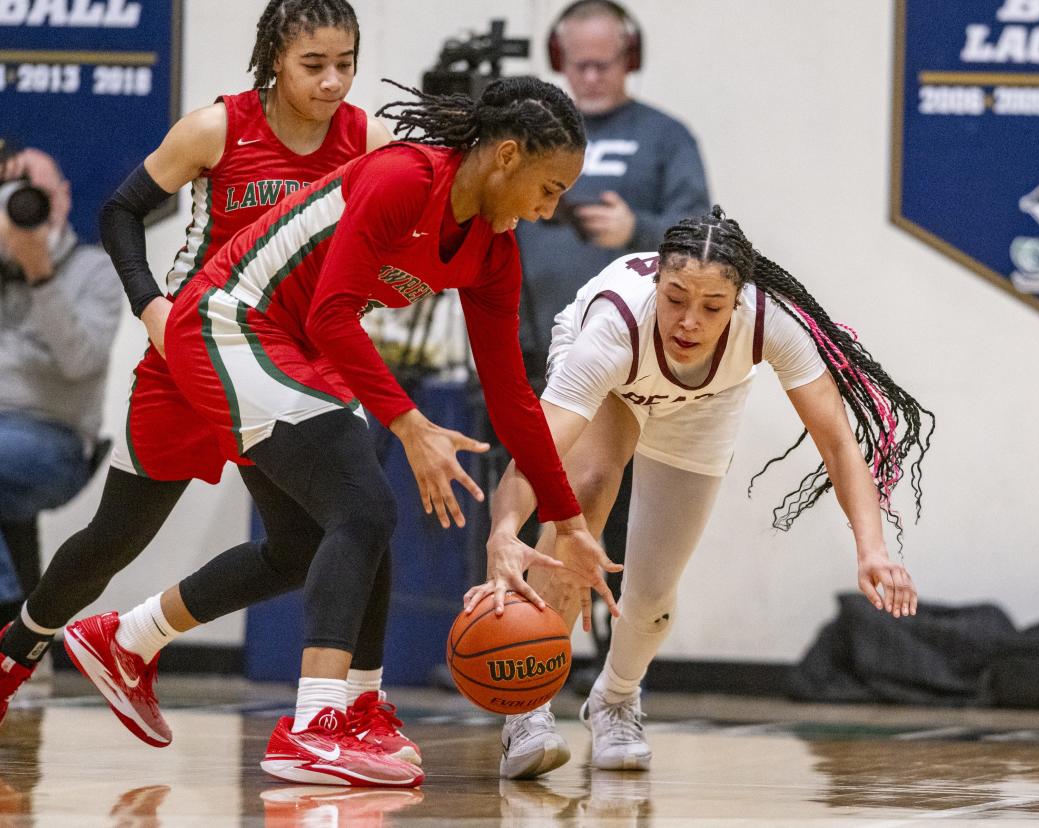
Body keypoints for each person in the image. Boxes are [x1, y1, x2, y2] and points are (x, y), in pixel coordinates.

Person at [71, 75, 620, 788]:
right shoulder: (402, 176)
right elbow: (332, 312)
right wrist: (411, 424)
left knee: (312, 540)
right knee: (364, 507)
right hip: (229, 321)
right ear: (507, 157)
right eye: (550, 189)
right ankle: (315, 724)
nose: (551, 211)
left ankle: (132, 639)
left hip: (295, 350)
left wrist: (569, 519)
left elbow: (513, 395)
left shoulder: (492, 250)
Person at [0, 0, 407, 758]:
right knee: (112, 540)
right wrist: (150, 303)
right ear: (275, 59)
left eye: (345, 64)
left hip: (288, 362)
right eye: (313, 65)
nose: (331, 82)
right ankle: (18, 654)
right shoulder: (217, 128)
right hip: (199, 351)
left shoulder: (369, 141)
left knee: (329, 528)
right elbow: (121, 211)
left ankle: (335, 707)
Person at [466, 207, 935, 779]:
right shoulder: (614, 329)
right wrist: (504, 533)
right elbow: (533, 456)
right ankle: (529, 706)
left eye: (711, 307)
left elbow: (837, 442)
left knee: (654, 590)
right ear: (657, 283)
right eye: (675, 298)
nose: (688, 321)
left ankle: (615, 698)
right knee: (585, 494)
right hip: (619, 383)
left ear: (736, 304)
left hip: (703, 407)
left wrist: (872, 550)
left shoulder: (771, 323)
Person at [516, 0, 712, 660]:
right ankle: (521, 632)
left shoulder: (666, 137)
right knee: (531, 487)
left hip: (631, 357)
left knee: (610, 494)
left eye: (605, 64)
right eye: (579, 65)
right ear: (556, 62)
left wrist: (637, 230)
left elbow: (703, 235)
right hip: (537, 343)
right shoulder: (535, 134)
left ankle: (604, 643)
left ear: (630, 59)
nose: (592, 77)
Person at [0, 145, 123, 622]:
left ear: (64, 198)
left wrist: (40, 275)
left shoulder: (95, 270)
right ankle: (25, 642)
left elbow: (80, 361)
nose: (26, 207)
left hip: (56, 444)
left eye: (38, 194)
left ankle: (9, 609)